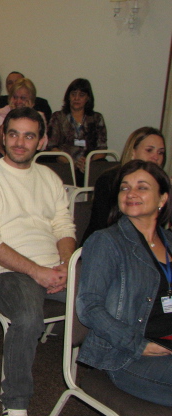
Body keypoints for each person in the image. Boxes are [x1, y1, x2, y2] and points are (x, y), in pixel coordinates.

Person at [0, 107, 76, 416]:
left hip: (53, 268)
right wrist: (37, 272)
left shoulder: (50, 178)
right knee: (29, 317)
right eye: (14, 134)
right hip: (6, 271)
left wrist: (67, 265)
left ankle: (112, 375)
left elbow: (64, 227)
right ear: (3, 138)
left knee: (104, 295)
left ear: (41, 142)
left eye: (29, 136)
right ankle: (15, 404)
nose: (20, 143)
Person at [78, 160, 172, 406]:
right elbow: (89, 307)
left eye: (142, 187)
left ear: (162, 199)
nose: (131, 193)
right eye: (125, 187)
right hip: (129, 355)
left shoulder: (169, 241)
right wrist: (137, 344)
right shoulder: (107, 242)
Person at [82, 127, 166, 244]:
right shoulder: (109, 180)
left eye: (160, 152)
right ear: (133, 152)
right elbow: (103, 224)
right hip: (107, 244)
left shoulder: (162, 185)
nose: (156, 157)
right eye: (149, 150)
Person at [47, 78, 107, 185]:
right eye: (73, 94)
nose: (76, 98)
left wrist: (88, 164)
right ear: (68, 97)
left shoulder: (96, 118)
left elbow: (102, 149)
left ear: (88, 98)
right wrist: (72, 163)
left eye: (81, 95)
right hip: (64, 164)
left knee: (102, 166)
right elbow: (52, 147)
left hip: (89, 165)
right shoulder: (58, 117)